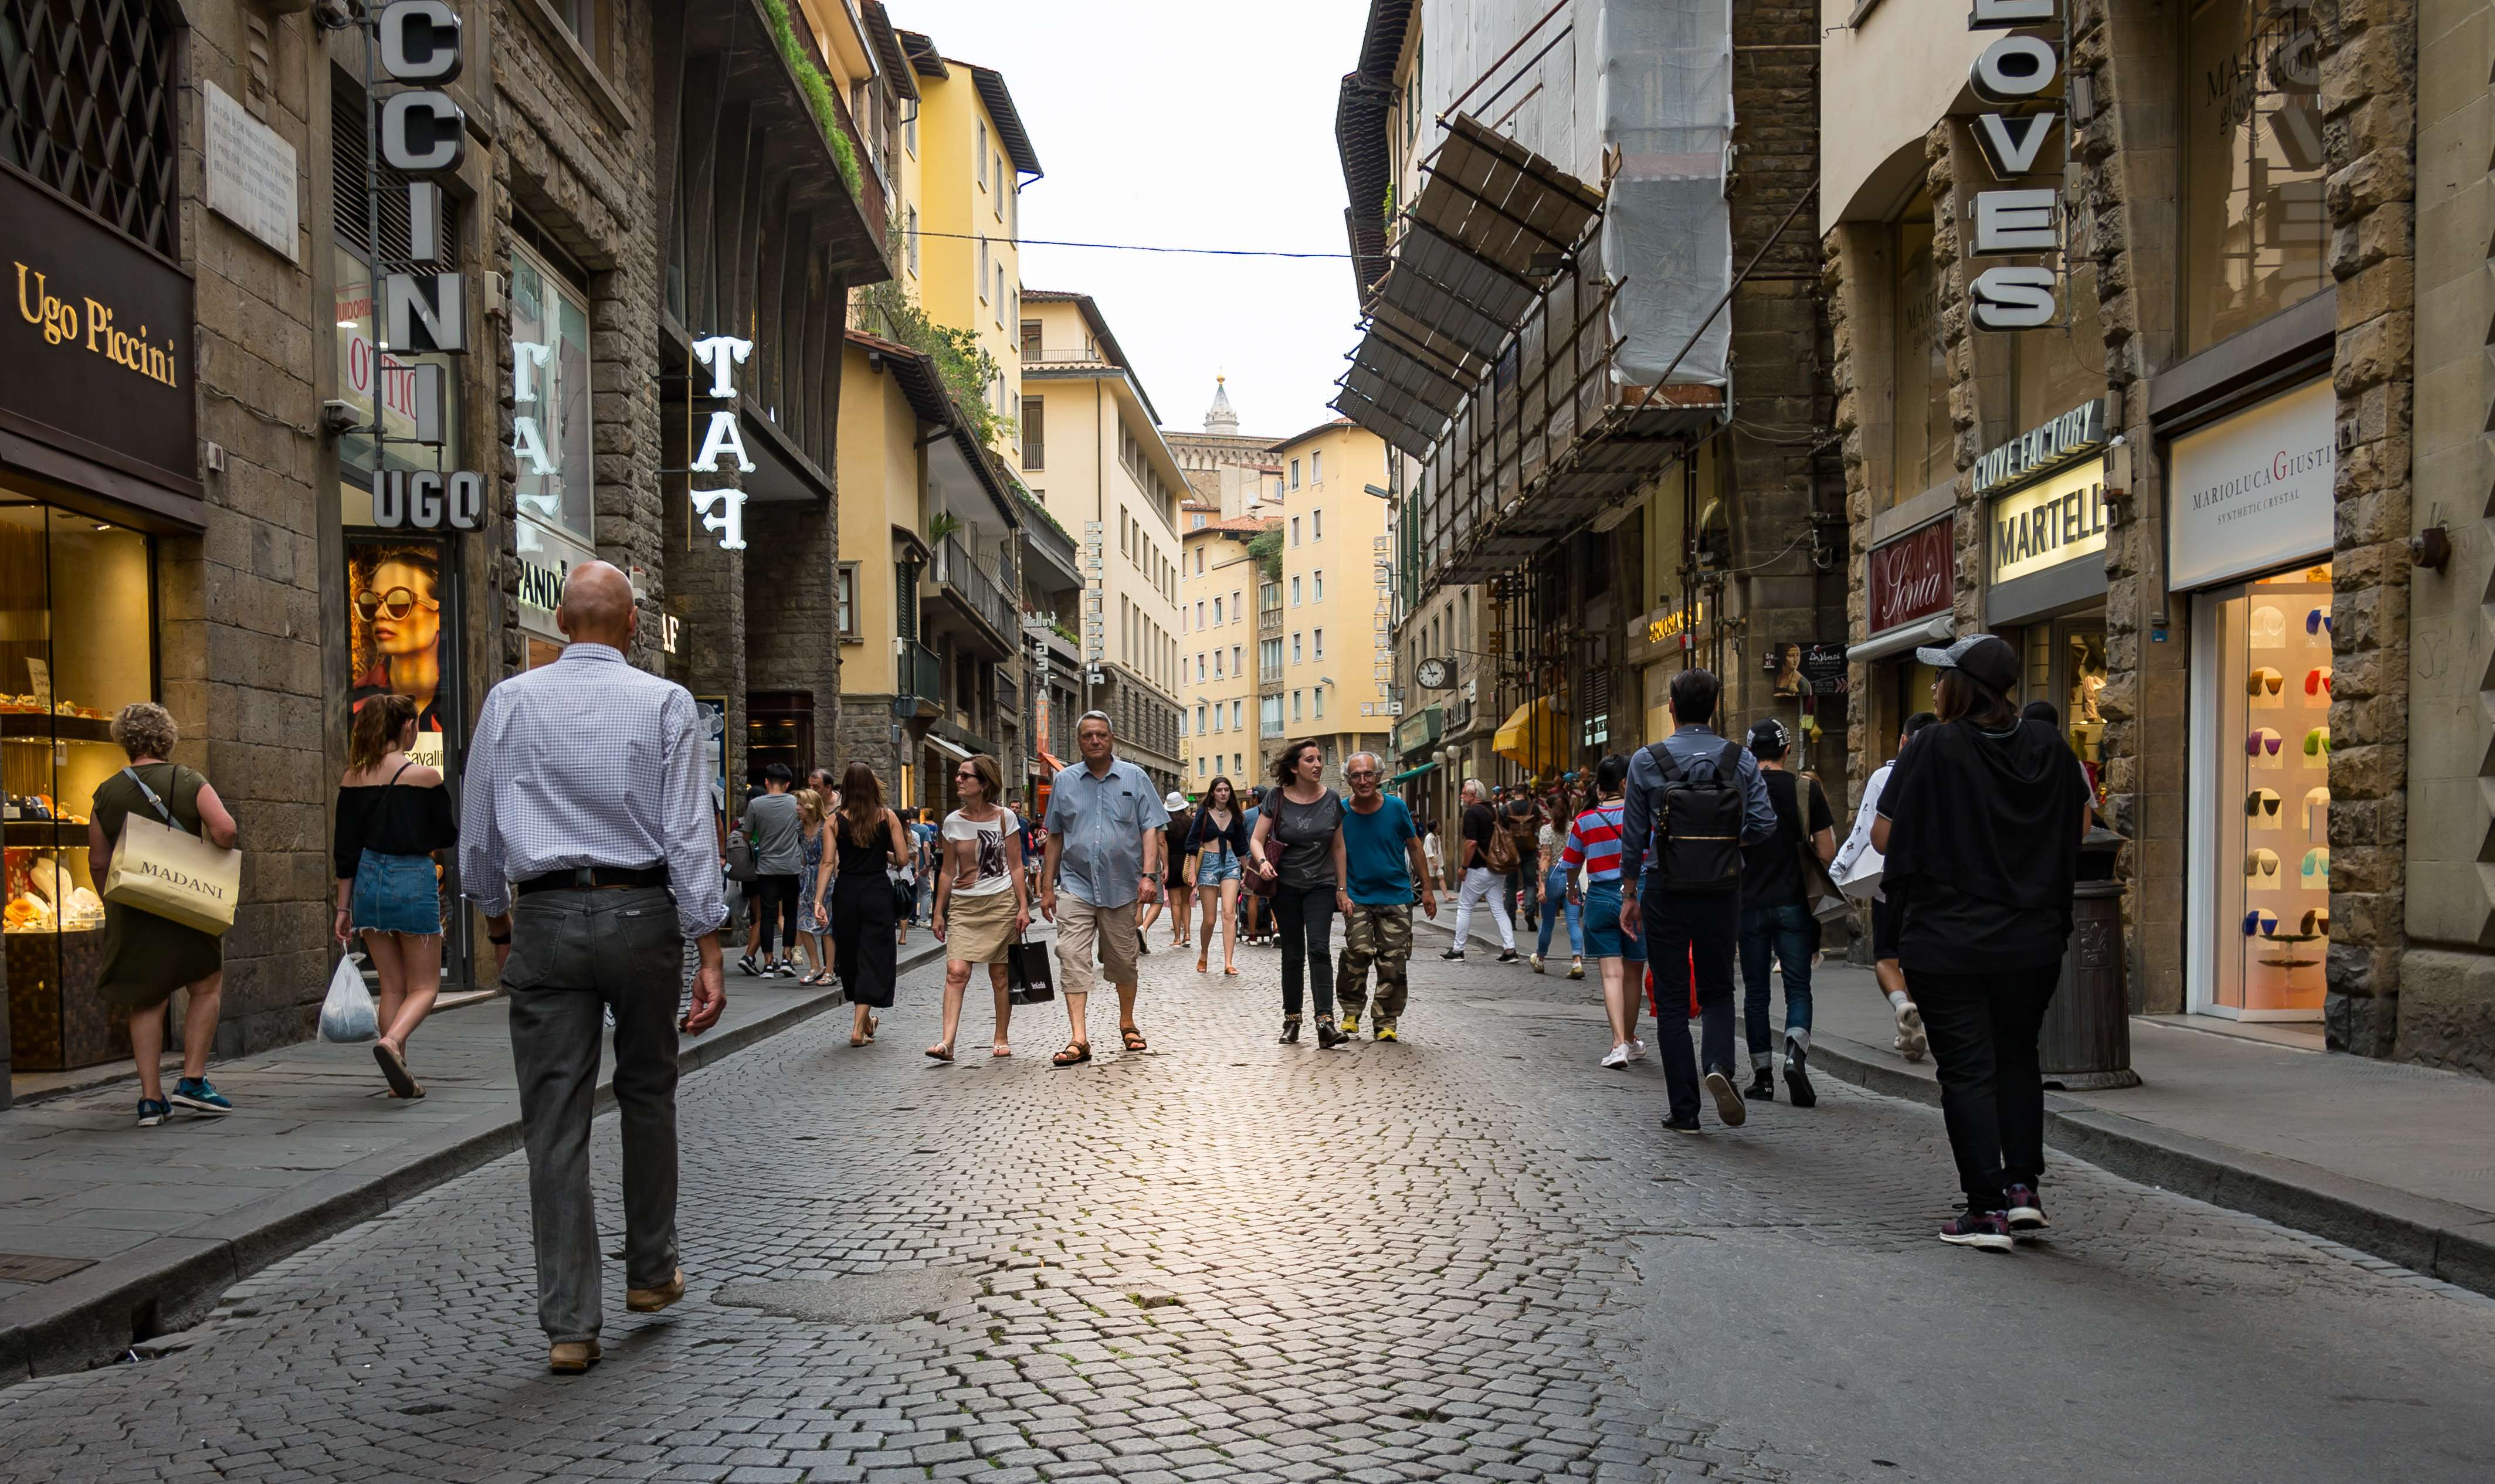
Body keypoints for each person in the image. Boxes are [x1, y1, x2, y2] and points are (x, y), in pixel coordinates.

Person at [457, 561, 726, 1373]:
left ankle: (571, 1324)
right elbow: (688, 832)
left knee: (553, 1120)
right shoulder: (665, 702)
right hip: (642, 914)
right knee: (647, 1090)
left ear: (562, 620)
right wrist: (709, 942)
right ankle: (650, 1271)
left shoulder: (509, 699)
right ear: (632, 626)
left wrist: (500, 920)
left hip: (542, 913)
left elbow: (476, 837)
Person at [1873, 634, 2088, 1251]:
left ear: (1963, 688)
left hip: (1950, 936)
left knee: (1967, 1068)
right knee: (2018, 1054)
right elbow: (2077, 828)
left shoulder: (1935, 746)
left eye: (1942, 679)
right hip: (2032, 936)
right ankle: (2023, 1190)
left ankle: (1985, 1207)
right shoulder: (2050, 745)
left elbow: (1886, 836)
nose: (1935, 688)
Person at [1619, 667, 1777, 1133]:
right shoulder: (1740, 759)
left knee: (1670, 1001)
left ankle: (1685, 1110)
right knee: (1717, 988)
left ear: (1671, 707)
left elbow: (1633, 838)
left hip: (1665, 887)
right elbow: (1765, 824)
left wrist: (1630, 894)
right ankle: (1719, 1065)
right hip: (1723, 887)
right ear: (1715, 707)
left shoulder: (1647, 761)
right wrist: (1727, 844)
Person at [89, 702, 240, 1126]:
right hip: (188, 901)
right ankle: (193, 1080)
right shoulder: (188, 779)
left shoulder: (107, 791)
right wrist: (212, 847)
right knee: (206, 984)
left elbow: (99, 861)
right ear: (167, 738)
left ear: (125, 742)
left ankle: (151, 1100)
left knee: (146, 997)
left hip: (134, 907)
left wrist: (112, 899)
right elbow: (225, 829)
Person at [332, 692, 457, 1099]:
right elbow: (446, 835)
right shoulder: (425, 778)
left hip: (367, 881)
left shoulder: (352, 778)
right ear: (405, 726)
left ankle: (398, 1078)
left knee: (391, 986)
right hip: (411, 878)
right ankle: (392, 1042)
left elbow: (345, 850)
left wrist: (342, 908)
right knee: (425, 987)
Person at [1039, 711, 1168, 1065]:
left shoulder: (1135, 777)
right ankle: (1079, 1038)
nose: (1095, 741)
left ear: (1112, 739)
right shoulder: (1064, 781)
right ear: (1079, 742)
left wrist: (1148, 876)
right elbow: (1055, 836)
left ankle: (1127, 1021)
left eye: (1101, 735)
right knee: (1072, 955)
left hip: (1123, 886)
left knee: (1123, 962)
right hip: (1076, 884)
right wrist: (1048, 887)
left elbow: (1150, 829)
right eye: (1087, 736)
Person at [1737, 718, 1836, 1107]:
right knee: (1798, 987)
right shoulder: (1806, 788)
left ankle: (1762, 1075)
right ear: (1787, 751)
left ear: (1749, 753)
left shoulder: (1740, 791)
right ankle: (1795, 1055)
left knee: (1756, 991)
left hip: (1750, 904)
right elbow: (1826, 852)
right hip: (1795, 902)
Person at [1834, 712, 1938, 1061]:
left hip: (1892, 881)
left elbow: (1867, 831)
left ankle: (1903, 1006)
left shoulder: (1885, 776)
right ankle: (1920, 1022)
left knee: (1886, 955)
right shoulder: (1951, 773)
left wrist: (1838, 872)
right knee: (1927, 955)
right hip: (1938, 882)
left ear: (1904, 742)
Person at [928, 753, 1030, 1061]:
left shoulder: (1005, 818)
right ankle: (947, 1042)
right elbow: (947, 870)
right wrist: (938, 912)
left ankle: (1000, 1036)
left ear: (984, 783)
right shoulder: (952, 822)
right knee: (956, 972)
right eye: (958, 775)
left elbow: (1016, 867)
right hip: (964, 906)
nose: (958, 780)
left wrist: (1024, 906)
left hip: (1000, 904)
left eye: (964, 776)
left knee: (1000, 976)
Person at [1251, 739, 1348, 1045]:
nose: (1318, 764)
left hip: (1321, 884)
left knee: (1319, 948)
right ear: (1295, 767)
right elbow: (1256, 840)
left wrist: (1342, 889)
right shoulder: (1277, 798)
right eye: (1310, 760)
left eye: (1320, 759)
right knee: (1293, 952)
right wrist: (1263, 862)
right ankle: (1292, 1020)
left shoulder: (1332, 799)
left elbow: (1339, 846)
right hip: (1285, 885)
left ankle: (1326, 1023)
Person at [1335, 751, 1435, 1041]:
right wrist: (1340, 889)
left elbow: (1415, 847)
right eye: (1356, 775)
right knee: (1358, 953)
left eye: (1368, 774)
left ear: (1379, 777)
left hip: (1396, 896)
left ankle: (1386, 1021)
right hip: (1358, 897)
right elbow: (1334, 851)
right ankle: (1351, 1010)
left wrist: (1427, 889)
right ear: (1348, 779)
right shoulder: (1341, 811)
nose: (1363, 781)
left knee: (1393, 961)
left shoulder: (1396, 807)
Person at [1564, 753, 1646, 1068]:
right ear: (1626, 783)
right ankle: (1629, 1038)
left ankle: (1618, 1045)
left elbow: (1572, 864)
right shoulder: (1640, 816)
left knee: (1611, 974)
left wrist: (1573, 888)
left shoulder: (1585, 820)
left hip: (1599, 897)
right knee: (1633, 974)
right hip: (1636, 898)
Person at [824, 762, 909, 1045]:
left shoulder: (834, 821)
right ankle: (859, 1029)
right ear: (874, 786)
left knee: (850, 956)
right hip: (877, 891)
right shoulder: (888, 817)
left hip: (846, 891)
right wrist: (879, 854)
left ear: (845, 788)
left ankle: (864, 1023)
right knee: (875, 954)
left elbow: (827, 863)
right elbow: (903, 859)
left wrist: (817, 900)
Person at [1442, 778, 1519, 962]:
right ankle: (1510, 950)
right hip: (1497, 868)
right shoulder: (1495, 812)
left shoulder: (1471, 813)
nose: (1461, 796)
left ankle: (1458, 950)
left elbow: (1471, 843)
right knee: (1499, 910)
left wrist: (1463, 867)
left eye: (1464, 793)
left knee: (1465, 908)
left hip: (1478, 868)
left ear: (1473, 796)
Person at [738, 766, 802, 977]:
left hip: (766, 867)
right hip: (792, 866)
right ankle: (786, 959)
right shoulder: (795, 804)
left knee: (767, 915)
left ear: (767, 782)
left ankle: (767, 963)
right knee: (791, 914)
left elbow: (746, 836)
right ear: (788, 784)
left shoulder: (756, 805)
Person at [1187, 775, 1249, 974]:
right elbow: (1194, 842)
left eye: (1226, 790)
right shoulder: (1204, 814)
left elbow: (1241, 846)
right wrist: (1192, 872)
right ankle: (1204, 953)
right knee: (1210, 919)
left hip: (1230, 863)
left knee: (1229, 914)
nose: (1223, 793)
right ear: (1213, 793)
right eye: (1219, 790)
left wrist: (1248, 870)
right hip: (1208, 865)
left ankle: (1228, 963)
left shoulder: (1237, 815)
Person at [1532, 800, 1583, 977]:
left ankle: (1540, 959)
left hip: (1553, 876)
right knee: (1573, 922)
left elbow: (1545, 858)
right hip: (1572, 875)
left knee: (1547, 923)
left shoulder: (1546, 830)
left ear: (1550, 810)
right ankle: (1577, 961)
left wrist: (1542, 886)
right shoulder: (1575, 827)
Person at [793, 788, 832, 985]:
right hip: (806, 877)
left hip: (825, 878)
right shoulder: (799, 828)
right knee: (803, 924)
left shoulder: (826, 827)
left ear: (810, 806)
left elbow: (831, 858)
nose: (797, 808)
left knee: (827, 926)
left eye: (801, 804)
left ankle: (830, 970)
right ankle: (815, 965)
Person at [1504, 789, 1543, 932]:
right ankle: (1530, 912)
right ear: (1526, 792)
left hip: (1512, 850)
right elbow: (1539, 826)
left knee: (1510, 885)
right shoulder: (1534, 808)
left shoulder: (1506, 809)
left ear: (1514, 792)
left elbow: (1501, 828)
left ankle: (1511, 920)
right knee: (1530, 884)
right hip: (1529, 849)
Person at [1162, 790, 1196, 949]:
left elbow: (1162, 845)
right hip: (1188, 862)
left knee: (1175, 904)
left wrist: (1165, 866)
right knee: (1186, 902)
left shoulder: (1165, 824)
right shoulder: (1191, 822)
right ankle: (1187, 935)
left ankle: (1176, 938)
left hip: (1172, 862)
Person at [1239, 786, 1269, 945]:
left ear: (1256, 799)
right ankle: (1277, 930)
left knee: (1252, 898)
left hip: (1252, 861)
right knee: (1273, 896)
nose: (1250, 801)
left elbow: (1242, 841)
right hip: (1272, 859)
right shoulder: (1273, 814)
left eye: (1252, 798)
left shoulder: (1246, 816)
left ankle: (1252, 935)